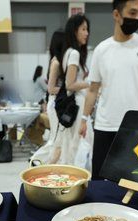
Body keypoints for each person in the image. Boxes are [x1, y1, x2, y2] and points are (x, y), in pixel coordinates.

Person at [79, 0, 138, 179]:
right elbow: (93, 90)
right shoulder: (102, 50)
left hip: (136, 126)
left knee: (134, 181)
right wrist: (83, 119)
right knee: (100, 181)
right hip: (106, 125)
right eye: (132, 13)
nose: (137, 18)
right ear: (116, 15)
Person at [50, 14, 92, 165]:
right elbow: (70, 84)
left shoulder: (69, 52)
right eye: (83, 29)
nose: (87, 33)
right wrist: (90, 84)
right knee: (77, 146)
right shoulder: (73, 53)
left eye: (87, 29)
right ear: (74, 31)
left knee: (72, 146)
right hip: (77, 104)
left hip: (76, 104)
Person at [30, 29, 64, 162]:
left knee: (57, 140)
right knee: (56, 140)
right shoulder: (56, 62)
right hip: (55, 103)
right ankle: (38, 162)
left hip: (55, 102)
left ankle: (44, 164)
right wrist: (69, 89)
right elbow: (50, 89)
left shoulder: (59, 60)